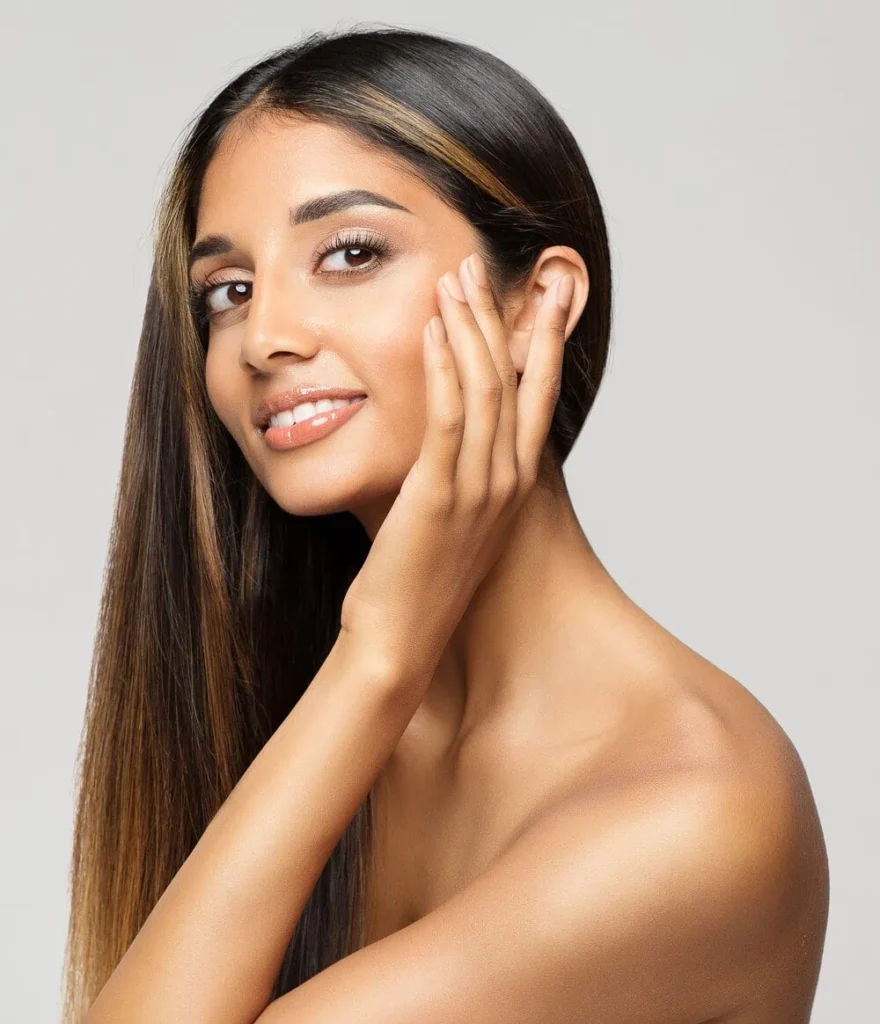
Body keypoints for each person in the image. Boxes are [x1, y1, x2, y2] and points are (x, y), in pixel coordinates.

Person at [66, 24, 829, 1024]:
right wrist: (374, 668)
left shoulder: (697, 809)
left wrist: (380, 652)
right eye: (229, 290)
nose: (264, 337)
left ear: (534, 306)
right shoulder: (321, 708)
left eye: (348, 253)